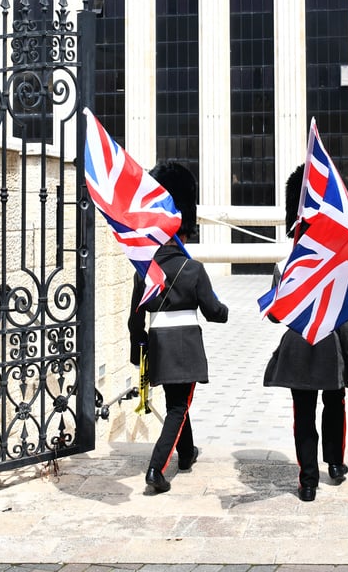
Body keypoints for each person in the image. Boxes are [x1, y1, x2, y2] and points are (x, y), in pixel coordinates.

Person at [264, 165, 348, 502]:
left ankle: (308, 481)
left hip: (298, 345)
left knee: (303, 414)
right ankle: (335, 464)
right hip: (330, 345)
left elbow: (276, 316)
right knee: (334, 403)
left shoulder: (287, 262)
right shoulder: (336, 262)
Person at [127, 161, 229, 494]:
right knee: (177, 406)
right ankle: (156, 469)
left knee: (176, 400)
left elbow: (134, 319)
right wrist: (226, 311)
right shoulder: (193, 269)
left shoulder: (145, 270)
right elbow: (213, 312)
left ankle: (186, 454)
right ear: (184, 227)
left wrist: (138, 350)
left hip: (157, 344)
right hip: (184, 346)